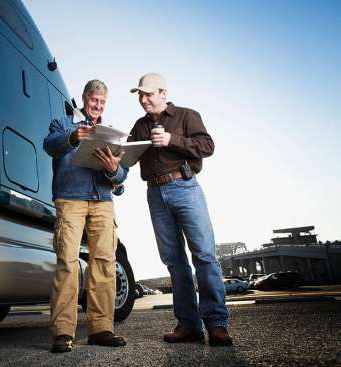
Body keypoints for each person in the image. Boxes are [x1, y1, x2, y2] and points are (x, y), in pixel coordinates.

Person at [127, 73, 232, 346]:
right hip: (155, 193)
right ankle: (188, 325)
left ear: (163, 92)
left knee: (205, 255)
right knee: (174, 260)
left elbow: (207, 147)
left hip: (185, 187)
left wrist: (172, 139)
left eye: (148, 94)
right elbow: (126, 157)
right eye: (140, 94)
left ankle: (217, 324)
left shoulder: (187, 115)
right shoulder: (138, 126)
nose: (143, 99)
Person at [43, 79, 128, 353]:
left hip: (103, 200)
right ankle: (63, 332)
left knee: (104, 262)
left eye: (102, 102)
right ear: (84, 98)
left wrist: (115, 170)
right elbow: (49, 145)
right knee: (67, 262)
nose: (97, 105)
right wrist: (72, 138)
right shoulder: (63, 124)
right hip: (70, 199)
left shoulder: (110, 134)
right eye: (94, 100)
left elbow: (122, 176)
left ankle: (101, 329)